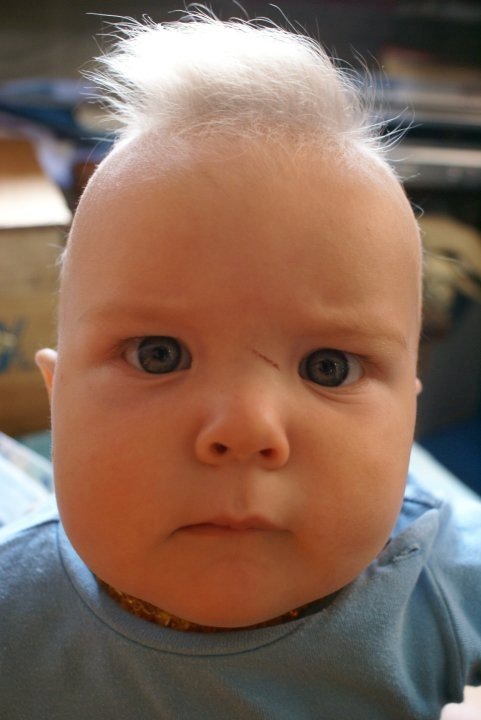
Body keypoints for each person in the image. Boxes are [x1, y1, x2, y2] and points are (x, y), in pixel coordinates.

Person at [0, 12, 480, 719]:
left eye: (328, 367)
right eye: (159, 355)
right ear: (57, 398)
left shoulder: (441, 583)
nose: (245, 429)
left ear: (406, 417)